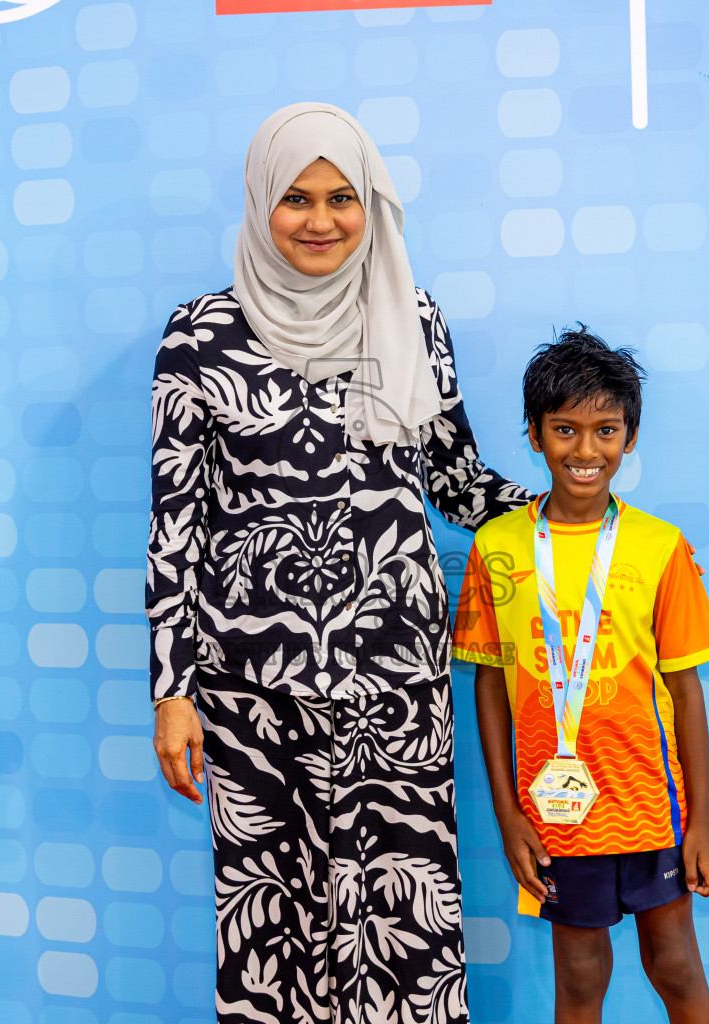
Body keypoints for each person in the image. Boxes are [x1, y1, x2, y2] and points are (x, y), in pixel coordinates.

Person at [146, 102, 532, 1024]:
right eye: (295, 198)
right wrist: (172, 691)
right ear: (259, 205)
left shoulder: (413, 319)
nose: (320, 221)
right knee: (272, 922)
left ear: (373, 207)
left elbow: (457, 482)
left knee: (401, 920)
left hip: (396, 688)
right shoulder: (200, 337)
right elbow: (175, 526)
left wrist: (591, 520)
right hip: (251, 690)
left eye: (342, 198)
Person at [451, 328, 709, 1024]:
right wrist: (509, 814)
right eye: (565, 430)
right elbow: (489, 684)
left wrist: (701, 824)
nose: (586, 450)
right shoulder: (498, 547)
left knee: (676, 967)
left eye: (606, 430)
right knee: (578, 979)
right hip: (556, 817)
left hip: (652, 807)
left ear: (629, 438)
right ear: (536, 435)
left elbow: (686, 692)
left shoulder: (660, 547)